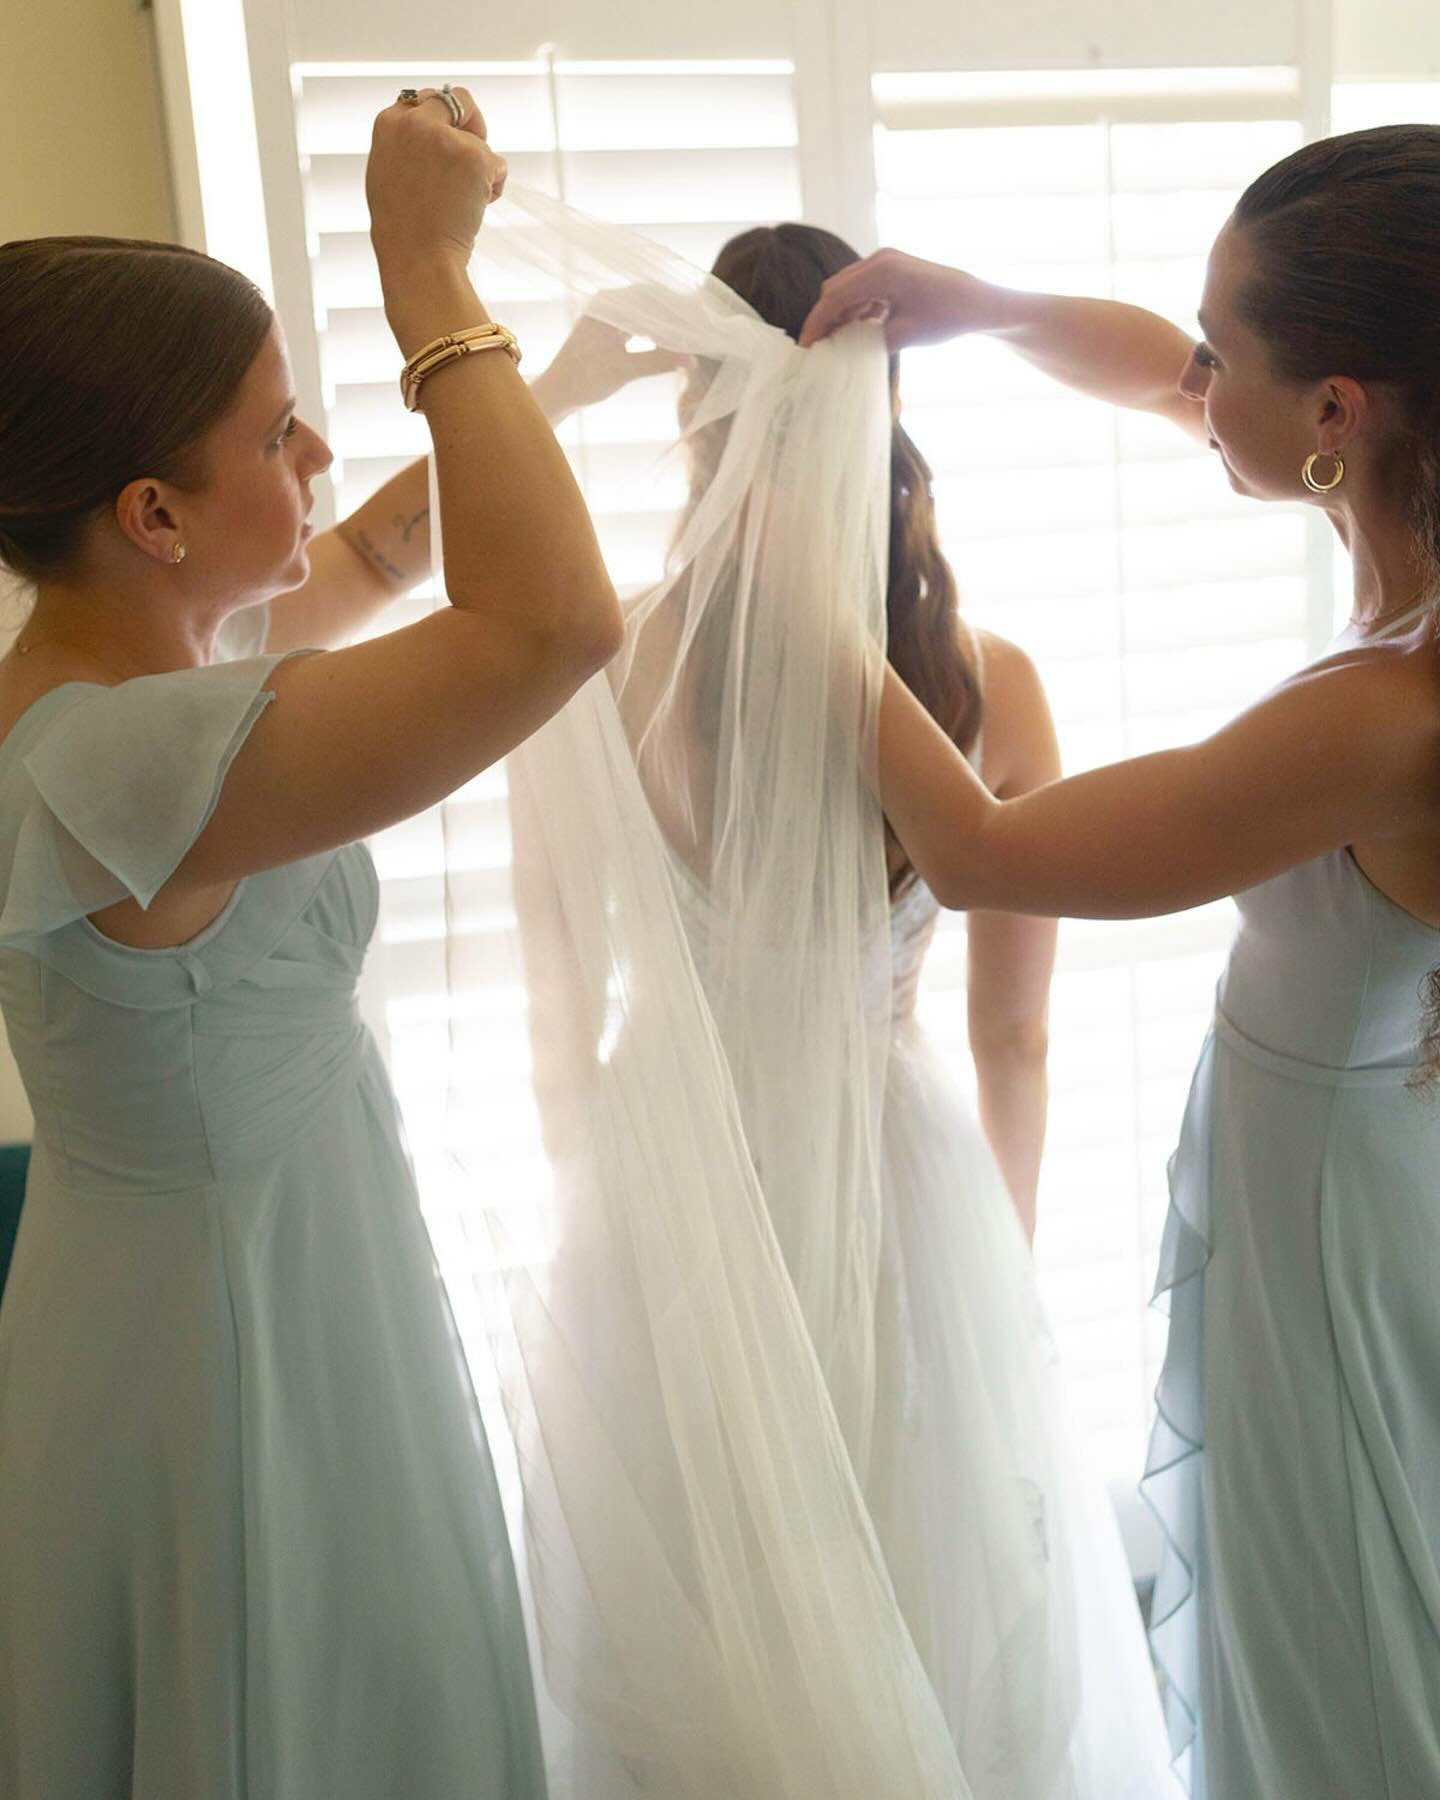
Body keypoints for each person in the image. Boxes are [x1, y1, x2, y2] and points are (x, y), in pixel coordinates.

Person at [496, 210, 1175, 1798]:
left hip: (682, 1183)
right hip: (901, 1178)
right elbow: (1014, 1032)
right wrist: (991, 1267)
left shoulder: (609, 662)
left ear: (694, 418)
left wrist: (609, 1185)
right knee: (933, 1587)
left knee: (697, 1609)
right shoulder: (988, 680)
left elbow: (554, 994)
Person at [802, 122, 1440, 1798]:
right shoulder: (1399, 542)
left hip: (1332, 1217)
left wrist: (798, 594)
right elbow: (1159, 377)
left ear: (1338, 415)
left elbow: (984, 850)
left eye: (1223, 348)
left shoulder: (1389, 715)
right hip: (1333, 1158)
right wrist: (978, 302)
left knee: (1347, 1627)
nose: (1188, 372)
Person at [0, 86, 623, 1799]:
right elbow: (551, 627)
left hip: (227, 1261)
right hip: (234, 1338)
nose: (320, 454)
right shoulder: (124, 765)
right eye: (281, 431)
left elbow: (361, 557)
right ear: (151, 513)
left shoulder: (127, 676)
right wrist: (428, 280)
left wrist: (549, 383)